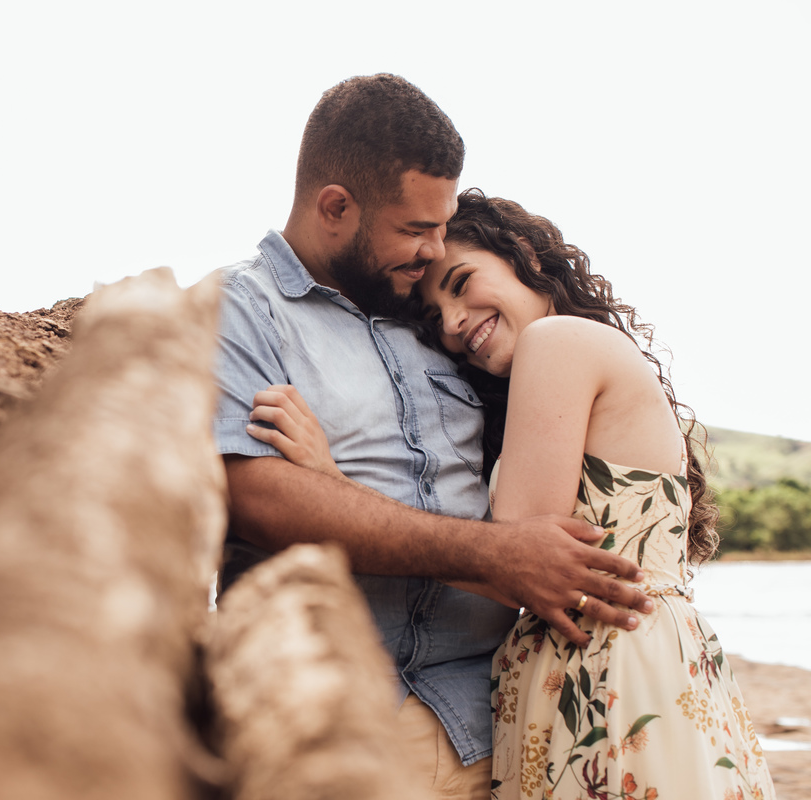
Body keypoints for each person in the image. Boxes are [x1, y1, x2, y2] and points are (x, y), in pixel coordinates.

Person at [213, 73, 653, 799]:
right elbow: (257, 493)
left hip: (502, 724)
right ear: (335, 207)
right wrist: (495, 553)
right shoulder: (243, 310)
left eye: (443, 227)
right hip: (334, 726)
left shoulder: (438, 327)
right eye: (416, 229)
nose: (434, 250)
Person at [253, 189, 776, 799]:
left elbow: (516, 562)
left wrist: (330, 481)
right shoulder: (570, 356)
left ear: (522, 253)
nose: (450, 323)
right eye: (433, 317)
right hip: (628, 665)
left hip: (611, 677)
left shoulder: (556, 343)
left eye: (461, 281)